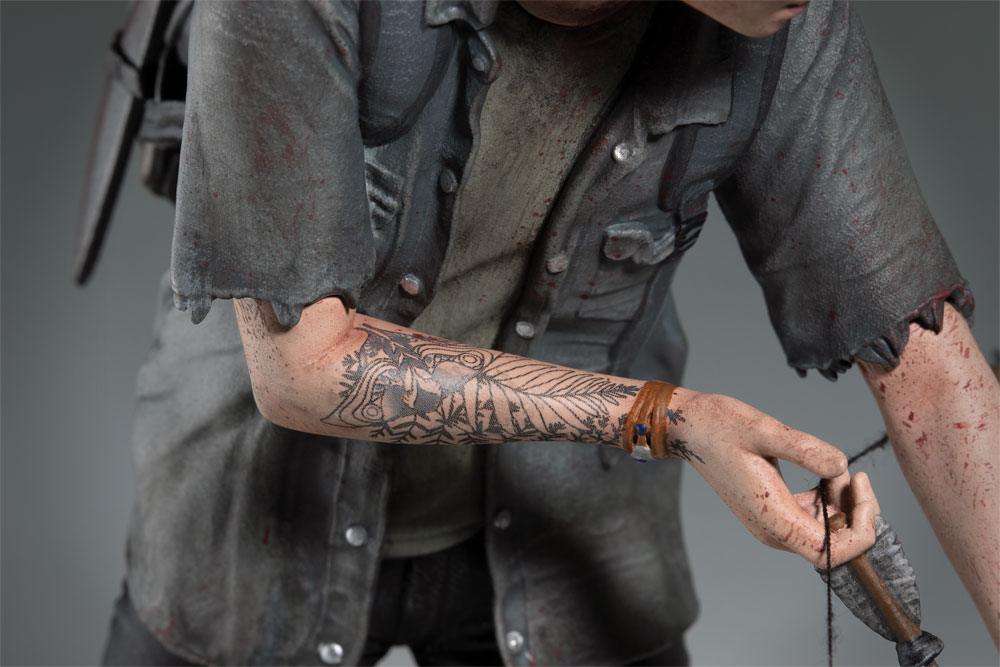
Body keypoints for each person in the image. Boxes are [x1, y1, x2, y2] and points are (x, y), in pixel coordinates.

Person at [99, 1, 999, 665]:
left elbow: (927, 363)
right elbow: (303, 366)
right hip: (247, 532)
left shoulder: (782, 17)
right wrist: (667, 417)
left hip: (566, 548)